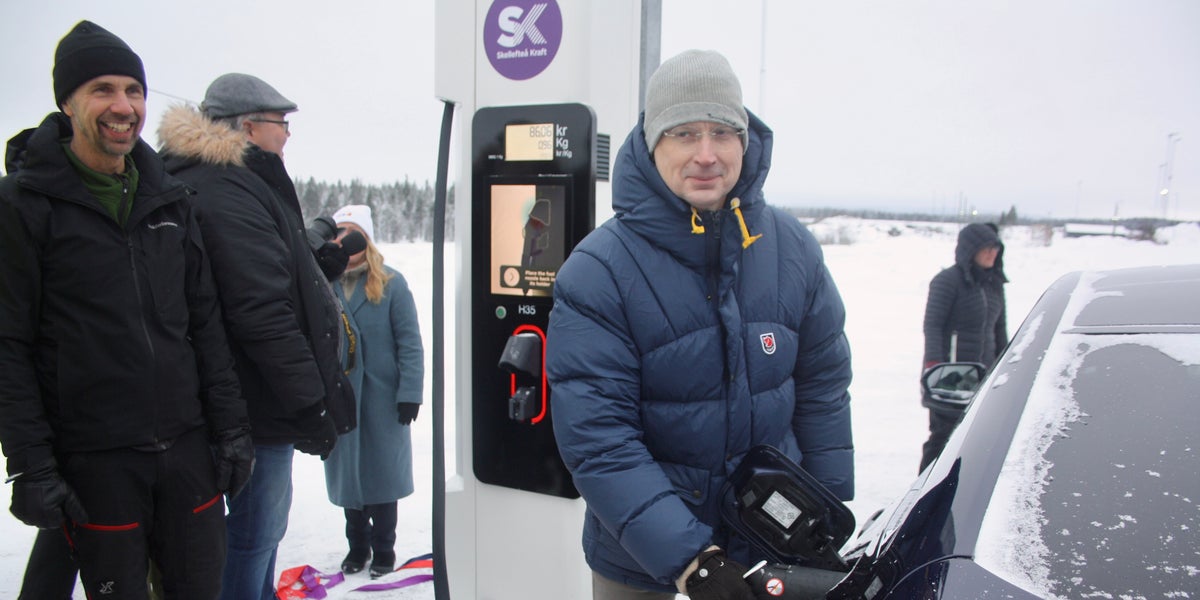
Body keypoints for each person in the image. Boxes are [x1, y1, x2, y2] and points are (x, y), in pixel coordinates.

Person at [545, 49, 855, 600]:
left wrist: (825, 515)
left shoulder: (793, 250)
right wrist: (692, 561)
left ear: (745, 141)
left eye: (722, 132)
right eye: (684, 133)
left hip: (768, 542)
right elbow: (600, 439)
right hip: (639, 558)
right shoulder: (599, 271)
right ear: (652, 144)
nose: (706, 154)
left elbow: (823, 389)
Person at [0, 20, 253, 600]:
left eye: (134, 90)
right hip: (98, 462)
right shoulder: (24, 205)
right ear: (67, 102)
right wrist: (30, 465)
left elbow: (204, 324)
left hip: (187, 453)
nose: (123, 106)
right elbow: (8, 345)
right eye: (103, 90)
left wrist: (232, 427)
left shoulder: (169, 198)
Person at [156, 73, 356, 600]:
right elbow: (259, 311)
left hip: (251, 397)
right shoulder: (227, 188)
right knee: (254, 533)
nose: (286, 135)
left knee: (258, 532)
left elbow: (266, 275)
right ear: (247, 127)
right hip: (257, 403)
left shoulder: (232, 182)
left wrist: (318, 265)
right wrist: (309, 401)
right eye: (281, 123)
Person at [321, 204, 425, 579]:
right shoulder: (324, 284)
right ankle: (357, 546)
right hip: (341, 398)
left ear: (366, 239)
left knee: (383, 479)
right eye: (338, 233)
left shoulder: (392, 284)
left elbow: (410, 343)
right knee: (350, 477)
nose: (344, 241)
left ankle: (384, 549)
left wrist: (410, 392)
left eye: (352, 233)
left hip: (383, 399)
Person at [919, 222, 1007, 471]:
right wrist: (935, 367)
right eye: (987, 248)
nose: (992, 253)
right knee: (943, 438)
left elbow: (1000, 329)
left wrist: (1007, 364)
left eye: (996, 248)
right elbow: (933, 325)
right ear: (971, 249)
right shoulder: (947, 281)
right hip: (951, 376)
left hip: (985, 375)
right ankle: (925, 488)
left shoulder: (994, 284)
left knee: (978, 437)